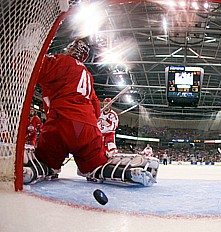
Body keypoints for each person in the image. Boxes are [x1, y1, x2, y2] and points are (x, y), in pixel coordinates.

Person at [23, 39, 159, 186]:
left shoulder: (61, 61)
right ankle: (128, 173)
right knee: (95, 167)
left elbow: (31, 66)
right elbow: (95, 109)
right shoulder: (88, 75)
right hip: (87, 129)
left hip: (60, 123)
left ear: (70, 50)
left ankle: (34, 171)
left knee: (47, 162)